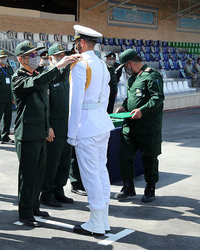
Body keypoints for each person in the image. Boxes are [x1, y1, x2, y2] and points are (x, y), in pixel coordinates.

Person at [12, 40, 78, 227]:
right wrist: (58, 65)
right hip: (27, 135)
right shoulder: (20, 77)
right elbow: (36, 82)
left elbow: (54, 78)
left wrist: (67, 63)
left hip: (40, 132)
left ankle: (34, 206)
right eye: (30, 56)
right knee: (28, 175)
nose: (34, 59)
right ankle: (25, 212)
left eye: (35, 55)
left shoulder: (38, 74)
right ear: (21, 59)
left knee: (39, 173)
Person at [68, 25, 114, 236]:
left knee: (90, 175)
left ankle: (96, 221)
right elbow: (106, 95)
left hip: (86, 125)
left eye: (77, 42)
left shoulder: (80, 65)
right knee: (101, 170)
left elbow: (75, 102)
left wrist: (71, 133)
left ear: (81, 42)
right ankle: (103, 219)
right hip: (101, 122)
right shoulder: (102, 64)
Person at [114, 49, 164, 203]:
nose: (125, 70)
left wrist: (142, 111)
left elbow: (158, 98)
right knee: (124, 155)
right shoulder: (133, 78)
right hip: (130, 125)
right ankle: (128, 186)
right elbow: (131, 98)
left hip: (147, 126)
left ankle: (150, 189)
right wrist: (123, 107)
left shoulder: (151, 75)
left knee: (149, 157)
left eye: (125, 67)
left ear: (129, 63)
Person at [40, 44, 74, 207]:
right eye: (59, 56)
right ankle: (46, 194)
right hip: (54, 128)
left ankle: (58, 190)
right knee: (51, 163)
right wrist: (48, 127)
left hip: (68, 128)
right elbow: (45, 105)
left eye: (64, 55)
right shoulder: (48, 75)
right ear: (51, 58)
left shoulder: (68, 75)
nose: (62, 58)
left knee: (64, 162)